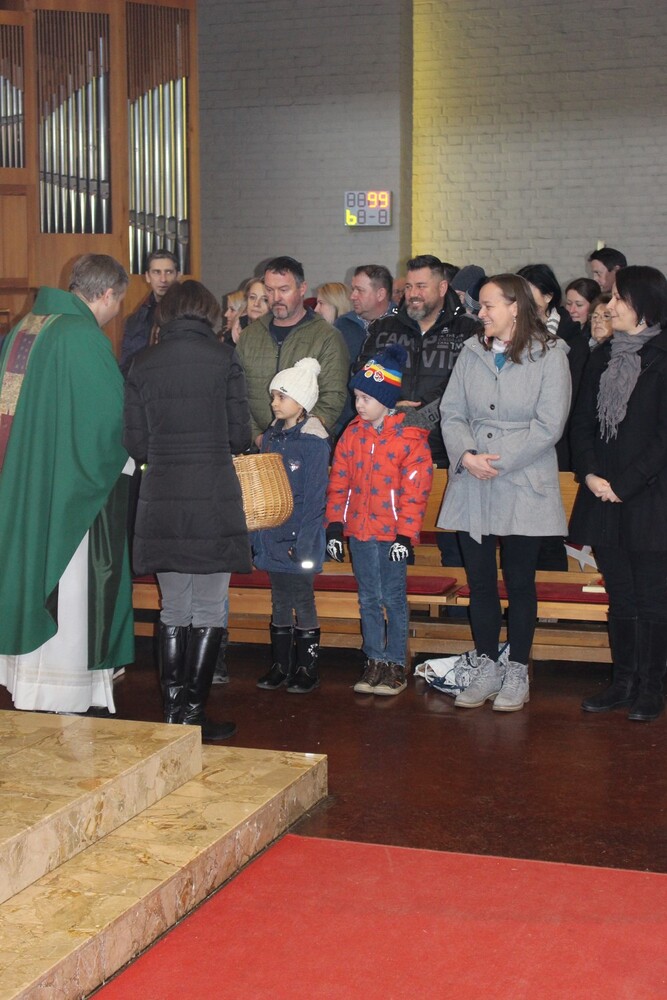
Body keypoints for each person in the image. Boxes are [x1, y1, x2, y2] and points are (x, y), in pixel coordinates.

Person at [0, 254, 134, 714]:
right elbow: (109, 421)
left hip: (26, 481)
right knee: (71, 587)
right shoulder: (79, 335)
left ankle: (27, 681)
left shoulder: (27, 326)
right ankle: (63, 688)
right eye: (118, 301)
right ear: (107, 294)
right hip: (66, 492)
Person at [123, 280, 252, 740]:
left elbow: (134, 441)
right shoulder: (224, 360)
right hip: (213, 494)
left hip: (161, 496)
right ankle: (193, 714)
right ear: (209, 314)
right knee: (210, 608)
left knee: (174, 607)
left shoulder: (141, 363)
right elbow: (240, 435)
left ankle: (173, 714)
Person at [437, 274, 571, 712]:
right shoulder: (471, 351)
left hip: (522, 478)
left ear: (515, 307)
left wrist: (495, 460)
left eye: (488, 305)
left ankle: (516, 669)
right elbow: (451, 411)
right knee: (479, 582)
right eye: (480, 305)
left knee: (519, 580)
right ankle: (486, 665)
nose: (481, 313)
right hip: (472, 477)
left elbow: (549, 425)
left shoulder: (551, 354)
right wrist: (466, 454)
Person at [569, 265, 667, 722]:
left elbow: (663, 439)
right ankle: (623, 681)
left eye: (618, 299)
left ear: (644, 305)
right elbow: (581, 423)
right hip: (601, 494)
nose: (609, 307)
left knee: (652, 598)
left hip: (649, 498)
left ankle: (651, 687)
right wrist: (590, 474)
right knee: (621, 595)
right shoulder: (603, 355)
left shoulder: (663, 357)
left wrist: (625, 485)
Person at [326, 344, 433, 697]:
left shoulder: (410, 438)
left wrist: (405, 536)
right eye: (356, 397)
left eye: (366, 398)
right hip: (360, 531)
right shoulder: (352, 434)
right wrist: (335, 526)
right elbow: (339, 482)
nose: (358, 405)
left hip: (391, 536)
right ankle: (374, 659)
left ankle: (395, 663)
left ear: (386, 400)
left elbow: (416, 491)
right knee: (368, 598)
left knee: (394, 598)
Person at [252, 358, 330, 693]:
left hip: (301, 537)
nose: (274, 403)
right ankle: (281, 665)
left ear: (301, 402)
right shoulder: (271, 438)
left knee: (303, 598)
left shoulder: (314, 443)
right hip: (274, 533)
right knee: (279, 599)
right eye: (273, 396)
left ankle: (307, 667)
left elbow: (315, 499)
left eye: (281, 396)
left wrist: (306, 542)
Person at [236, 256, 349, 445]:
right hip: (258, 449)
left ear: (302, 288)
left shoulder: (327, 337)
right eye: (269, 290)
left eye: (284, 290)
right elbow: (237, 393)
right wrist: (257, 437)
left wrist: (296, 438)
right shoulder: (249, 336)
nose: (276, 298)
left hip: (305, 448)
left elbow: (333, 397)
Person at [516, 263, 588, 472]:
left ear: (548, 296)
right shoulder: (510, 335)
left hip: (557, 439)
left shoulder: (572, 338)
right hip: (515, 436)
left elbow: (574, 396)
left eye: (528, 295)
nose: (521, 302)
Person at [119, 249, 180, 375]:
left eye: (168, 272)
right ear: (147, 277)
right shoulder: (134, 320)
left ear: (178, 276)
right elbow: (126, 364)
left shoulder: (189, 314)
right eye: (156, 272)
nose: (163, 279)